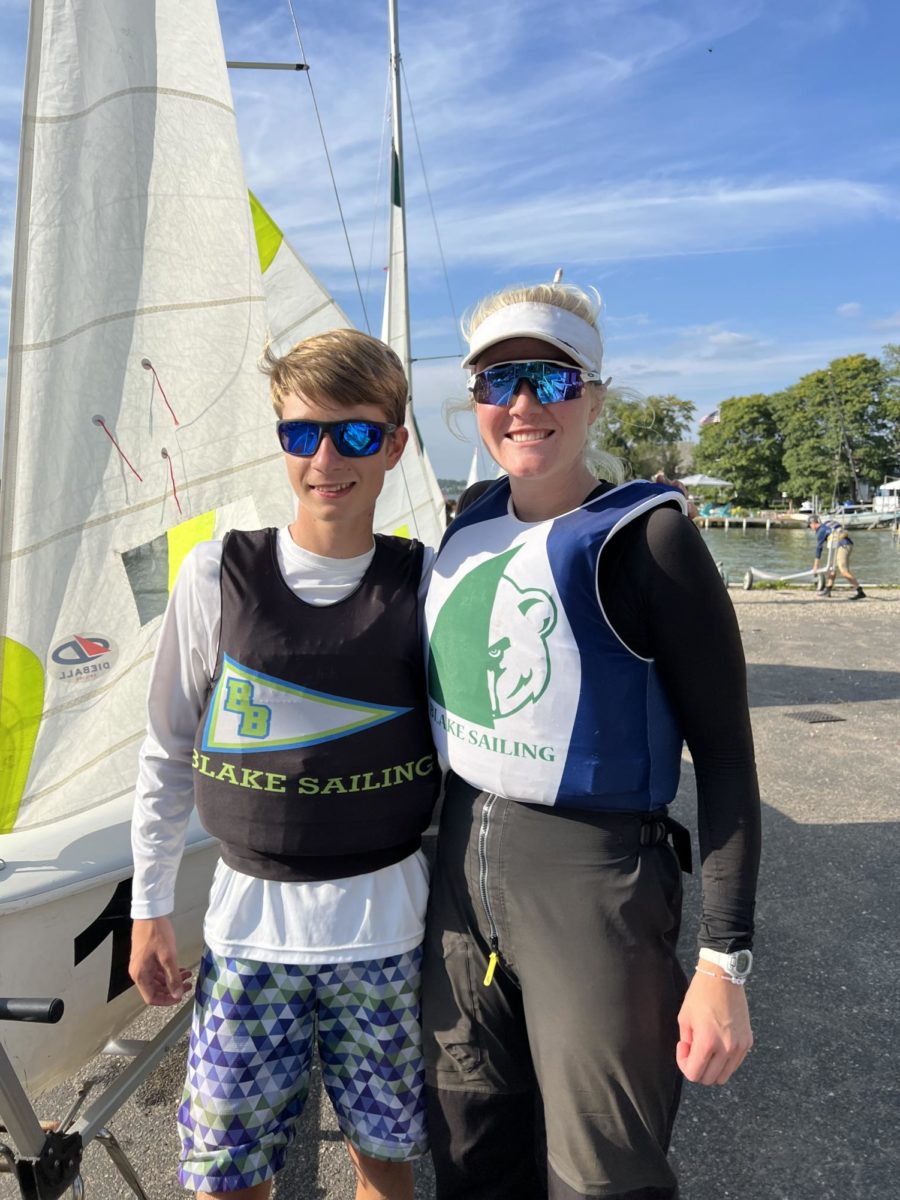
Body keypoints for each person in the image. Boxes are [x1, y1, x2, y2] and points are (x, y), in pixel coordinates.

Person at [422, 280, 761, 1200]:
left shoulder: (648, 539)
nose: (523, 404)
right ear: (475, 402)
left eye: (551, 379)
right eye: (498, 382)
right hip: (460, 871)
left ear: (595, 396)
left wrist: (723, 964)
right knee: (469, 1145)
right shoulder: (469, 521)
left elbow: (727, 762)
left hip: (593, 883)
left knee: (600, 1176)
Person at [129, 328, 440, 1200]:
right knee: (227, 1179)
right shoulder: (214, 575)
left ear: (396, 446)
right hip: (247, 935)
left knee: (384, 1162)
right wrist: (148, 908)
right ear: (282, 442)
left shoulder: (427, 582)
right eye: (302, 434)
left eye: (356, 434)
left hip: (387, 934)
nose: (327, 458)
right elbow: (166, 749)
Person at [808, 514, 865, 599]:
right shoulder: (827, 525)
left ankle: (860, 591)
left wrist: (815, 566)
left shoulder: (820, 531)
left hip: (843, 546)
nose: (810, 528)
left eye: (810, 526)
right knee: (832, 568)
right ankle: (828, 589)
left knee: (843, 571)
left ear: (813, 523)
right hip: (844, 544)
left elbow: (819, 549)